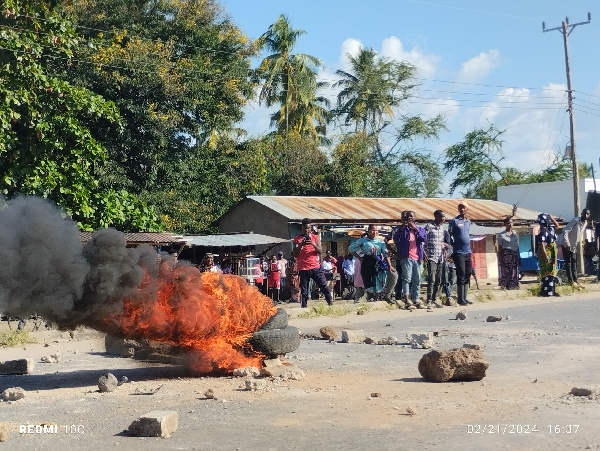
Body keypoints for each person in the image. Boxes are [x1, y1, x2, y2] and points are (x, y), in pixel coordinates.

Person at [292, 218, 332, 308]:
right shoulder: (297, 239)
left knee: (324, 286)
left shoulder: (316, 237)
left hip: (315, 267)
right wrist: (301, 244)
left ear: (311, 228)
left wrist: (313, 244)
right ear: (302, 228)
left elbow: (320, 251)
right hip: (303, 268)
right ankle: (304, 307)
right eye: (305, 228)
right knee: (304, 291)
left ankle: (330, 302)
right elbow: (295, 254)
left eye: (308, 228)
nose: (307, 230)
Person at [349, 225, 396, 302]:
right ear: (369, 231)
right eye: (373, 230)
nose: (375, 232)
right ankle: (370, 297)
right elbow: (351, 248)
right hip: (367, 262)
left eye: (376, 230)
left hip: (379, 262)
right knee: (369, 280)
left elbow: (385, 253)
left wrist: (390, 266)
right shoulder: (363, 241)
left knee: (393, 275)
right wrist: (360, 258)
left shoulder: (380, 241)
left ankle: (387, 295)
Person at [393, 211, 426, 309]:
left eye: (411, 216)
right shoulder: (400, 229)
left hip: (417, 258)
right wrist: (403, 227)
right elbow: (396, 240)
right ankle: (407, 300)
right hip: (406, 258)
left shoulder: (419, 229)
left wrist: (415, 229)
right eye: (407, 217)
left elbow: (423, 238)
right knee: (406, 278)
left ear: (415, 218)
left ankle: (416, 299)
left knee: (417, 280)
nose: (409, 218)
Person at [557, 208, 590, 289]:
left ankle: (575, 280)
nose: (586, 215)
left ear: (589, 216)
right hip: (566, 243)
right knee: (568, 262)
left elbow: (579, 235)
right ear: (582, 214)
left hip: (573, 245)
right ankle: (571, 281)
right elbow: (565, 231)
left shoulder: (585, 223)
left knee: (574, 262)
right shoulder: (576, 220)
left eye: (587, 214)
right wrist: (567, 244)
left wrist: (581, 244)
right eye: (585, 213)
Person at [448, 201, 473, 305]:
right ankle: (460, 299)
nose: (462, 209)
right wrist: (454, 245)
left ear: (467, 209)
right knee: (461, 274)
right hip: (459, 252)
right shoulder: (454, 221)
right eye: (460, 207)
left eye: (464, 207)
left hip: (468, 251)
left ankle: (465, 297)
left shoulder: (468, 221)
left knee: (468, 273)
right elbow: (449, 235)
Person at [424, 209, 449, 308]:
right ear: (436, 216)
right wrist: (424, 253)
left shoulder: (442, 228)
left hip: (440, 257)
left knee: (438, 280)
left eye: (444, 217)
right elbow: (423, 240)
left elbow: (441, 242)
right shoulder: (429, 226)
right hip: (431, 257)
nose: (443, 219)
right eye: (442, 217)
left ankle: (434, 299)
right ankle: (428, 301)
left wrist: (444, 249)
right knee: (432, 279)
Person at [536, 213, 560, 297]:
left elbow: (558, 226)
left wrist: (552, 218)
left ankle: (552, 290)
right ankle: (547, 291)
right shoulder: (542, 229)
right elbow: (541, 243)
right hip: (547, 251)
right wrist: (545, 254)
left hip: (552, 251)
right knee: (546, 272)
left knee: (552, 271)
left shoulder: (550, 228)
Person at [496, 216, 520, 289]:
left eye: (511, 222)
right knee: (506, 271)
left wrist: (519, 257)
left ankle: (513, 286)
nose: (510, 224)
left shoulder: (515, 234)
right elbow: (500, 248)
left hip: (515, 255)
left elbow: (517, 246)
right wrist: (500, 259)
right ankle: (505, 286)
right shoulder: (501, 235)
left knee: (514, 271)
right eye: (508, 223)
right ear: (505, 224)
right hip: (506, 256)